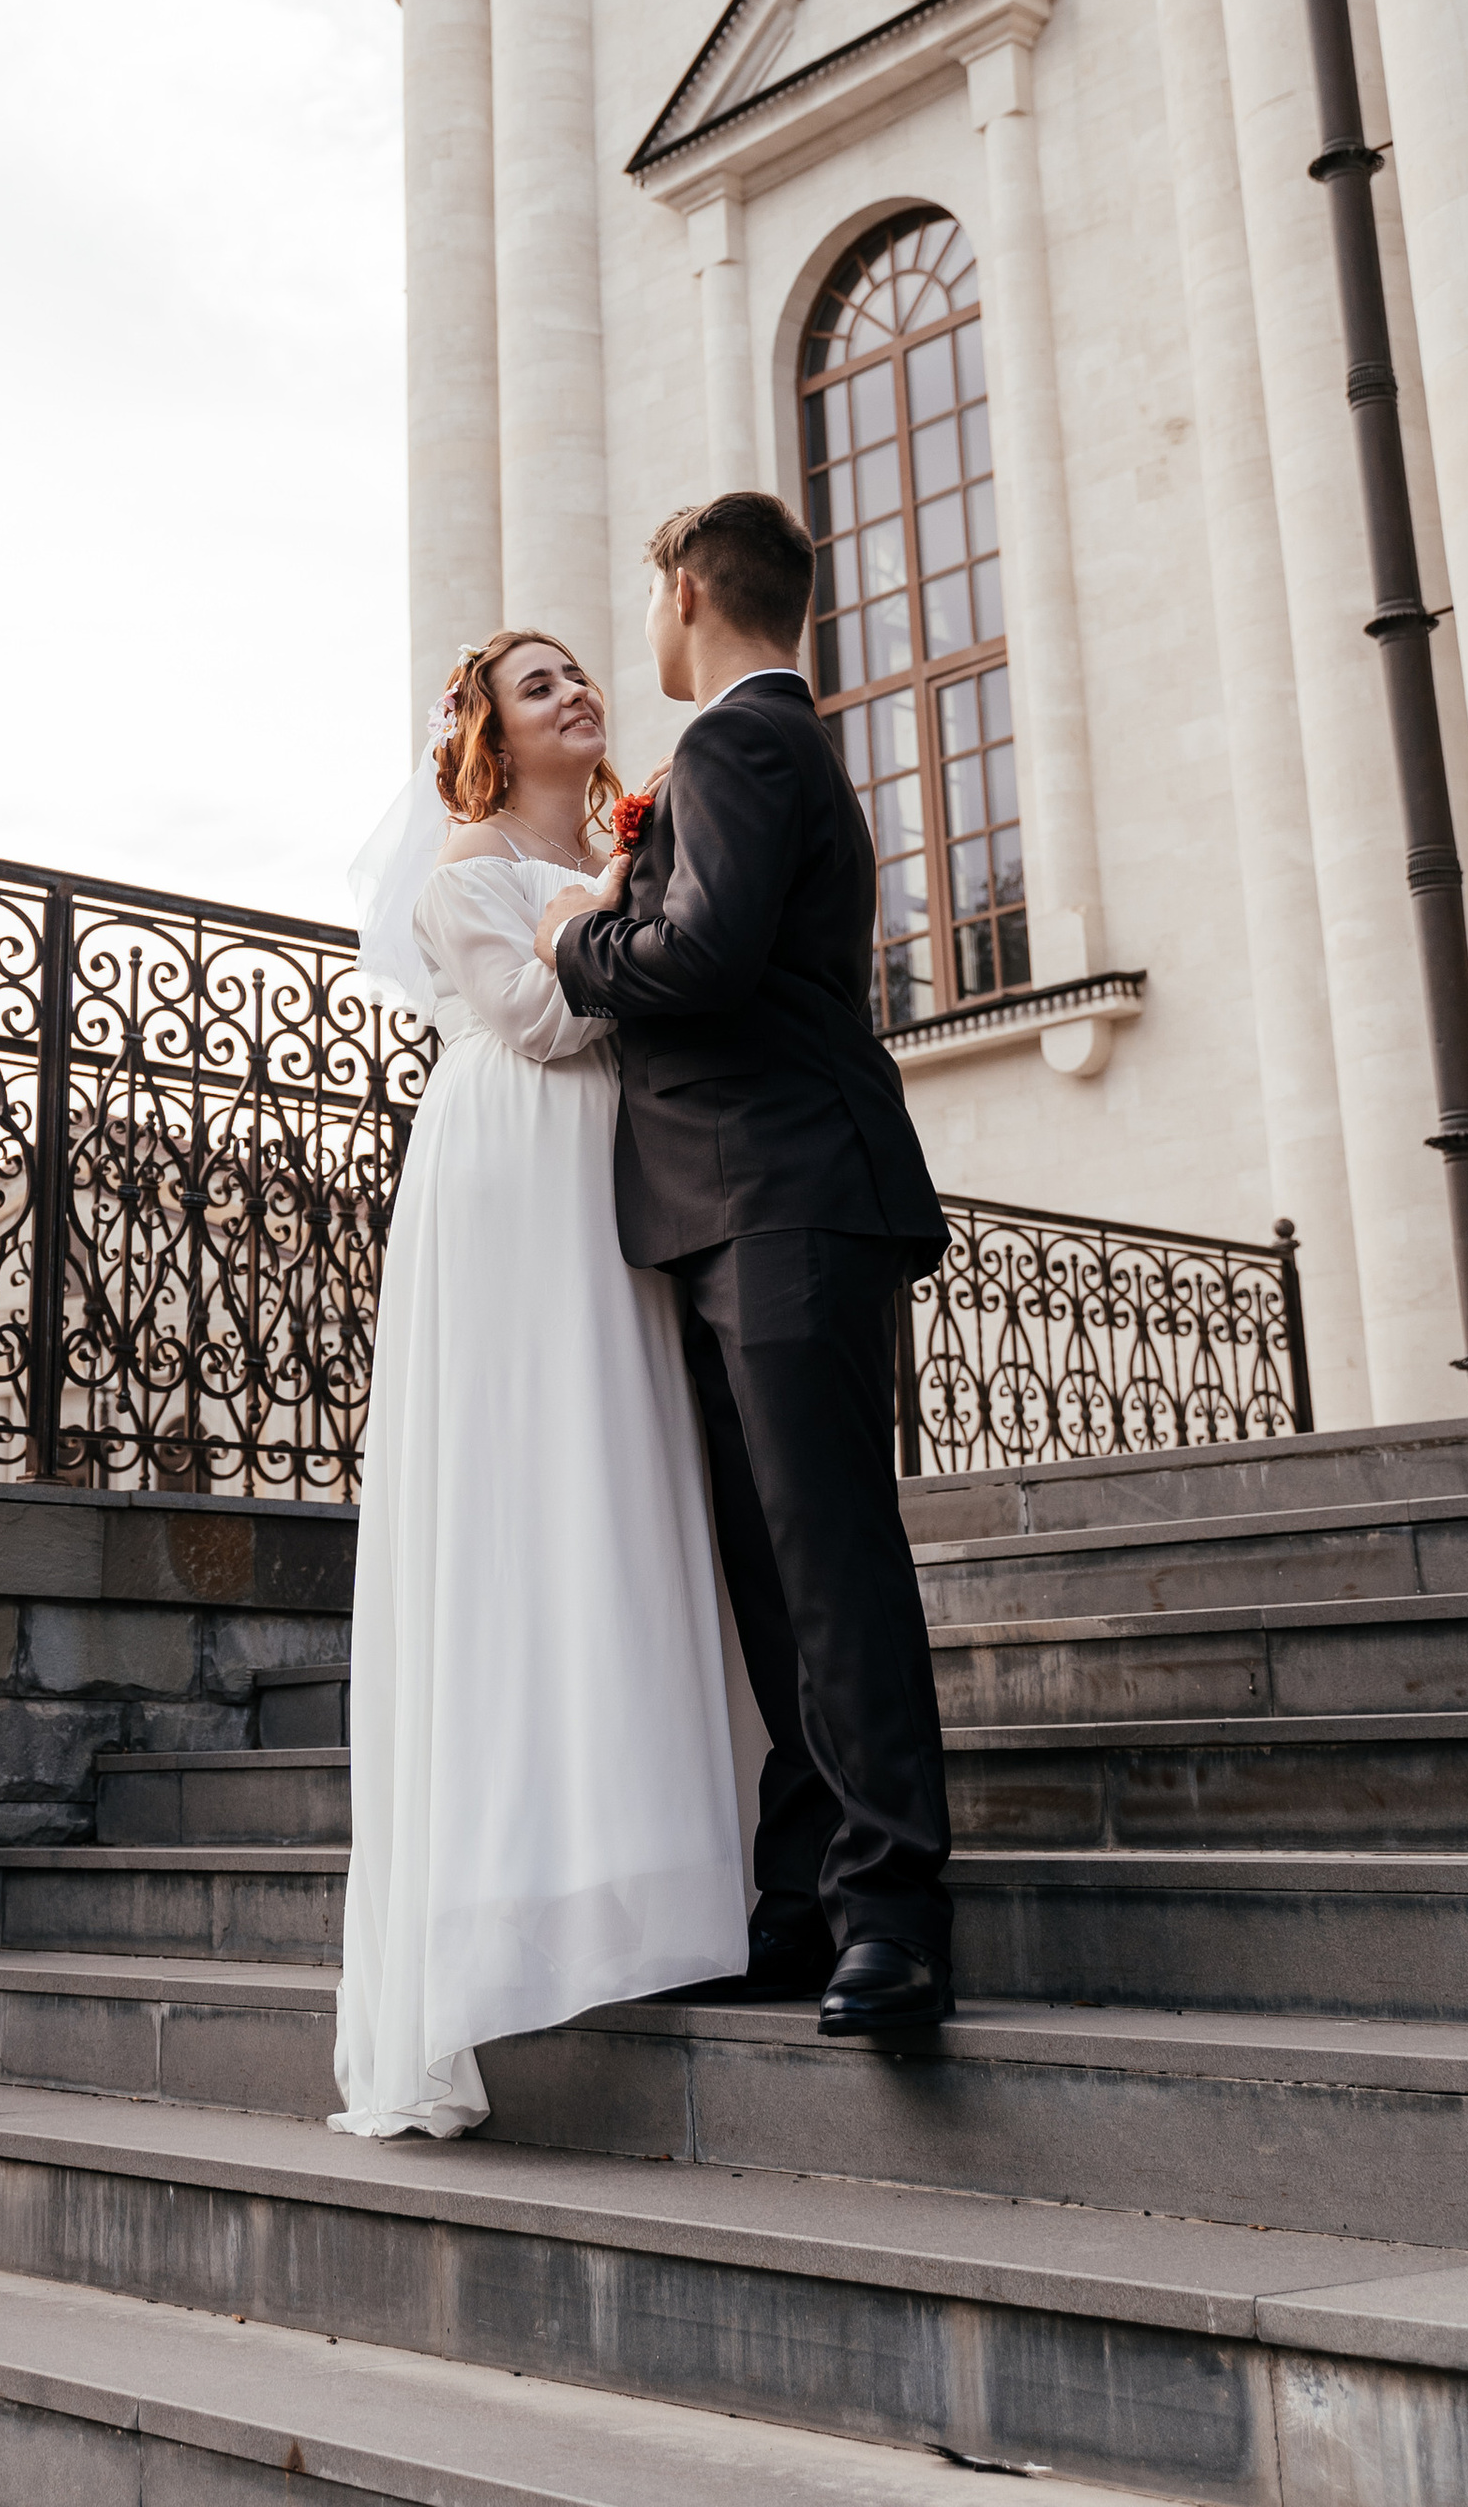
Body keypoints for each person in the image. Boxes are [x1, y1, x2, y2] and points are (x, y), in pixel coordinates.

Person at [537, 493, 956, 2038]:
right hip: (735, 1204)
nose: (641, 634)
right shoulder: (766, 745)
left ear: (690, 597)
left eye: (648, 603)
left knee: (828, 1561)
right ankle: (799, 1904)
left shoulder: (737, 742)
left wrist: (574, 947)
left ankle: (895, 1915)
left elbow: (701, 960)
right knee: (775, 1581)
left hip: (787, 1195)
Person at [332, 628, 753, 2141]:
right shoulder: (467, 871)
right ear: (491, 738)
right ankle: (524, 1908)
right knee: (544, 1482)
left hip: (628, 1173)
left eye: (581, 674)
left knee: (641, 1490)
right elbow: (539, 1017)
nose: (576, 694)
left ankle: (670, 1876)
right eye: (537, 687)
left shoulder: (640, 841)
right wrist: (614, 918)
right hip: (520, 1178)